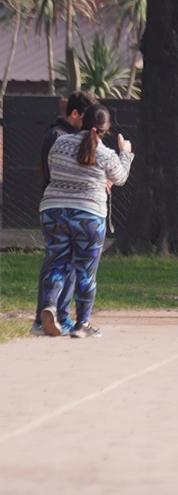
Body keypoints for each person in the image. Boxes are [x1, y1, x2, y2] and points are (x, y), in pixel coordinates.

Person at [37, 104, 133, 338]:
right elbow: (120, 178)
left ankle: (49, 304)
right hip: (89, 215)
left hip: (53, 211)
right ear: (106, 129)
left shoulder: (60, 143)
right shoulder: (105, 153)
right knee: (86, 272)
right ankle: (82, 325)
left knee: (57, 263)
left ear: (81, 121)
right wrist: (125, 152)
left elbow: (52, 168)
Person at [30, 90, 97, 335]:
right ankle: (46, 317)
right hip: (60, 209)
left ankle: (56, 316)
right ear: (75, 113)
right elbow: (51, 175)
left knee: (63, 265)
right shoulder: (57, 136)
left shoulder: (71, 137)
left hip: (65, 209)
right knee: (58, 265)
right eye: (86, 117)